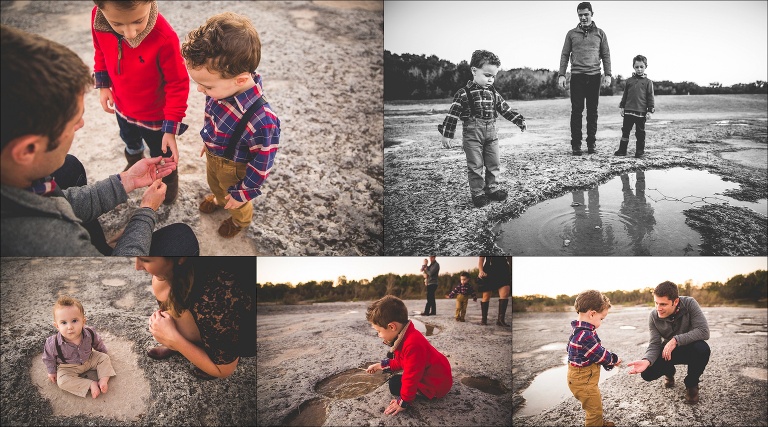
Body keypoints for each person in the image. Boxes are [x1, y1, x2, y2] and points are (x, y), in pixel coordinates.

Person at [0, 24, 199, 256]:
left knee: (68, 167)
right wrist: (145, 212)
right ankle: (100, 249)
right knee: (181, 239)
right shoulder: (55, 240)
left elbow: (61, 201)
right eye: (74, 121)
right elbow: (118, 275)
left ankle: (99, 244)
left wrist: (124, 181)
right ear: (27, 150)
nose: (81, 125)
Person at [181, 12, 281, 238]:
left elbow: (262, 163)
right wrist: (209, 140)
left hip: (236, 169)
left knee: (235, 199)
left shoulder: (263, 120)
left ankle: (240, 220)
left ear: (241, 80)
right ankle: (218, 198)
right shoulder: (219, 90)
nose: (200, 90)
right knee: (215, 184)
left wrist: (243, 193)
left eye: (206, 86)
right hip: (214, 156)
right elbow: (212, 118)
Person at [92, 0, 189, 203]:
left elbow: (177, 83)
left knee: (162, 155)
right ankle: (134, 161)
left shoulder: (165, 38)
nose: (129, 33)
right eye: (117, 24)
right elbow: (100, 50)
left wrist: (170, 127)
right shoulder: (99, 20)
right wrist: (103, 85)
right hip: (122, 106)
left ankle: (168, 183)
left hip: (155, 116)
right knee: (129, 139)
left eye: (138, 21)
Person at [135, 257, 256, 380]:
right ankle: (188, 342)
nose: (137, 266)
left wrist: (174, 339)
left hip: (234, 320)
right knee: (163, 285)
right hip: (188, 280)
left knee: (213, 352)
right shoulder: (172, 272)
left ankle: (204, 352)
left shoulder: (215, 298)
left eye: (145, 260)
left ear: (180, 259)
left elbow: (224, 371)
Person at [438, 49, 527, 208]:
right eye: (487, 75)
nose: (491, 79)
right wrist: (447, 134)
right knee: (475, 165)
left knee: (494, 163)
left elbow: (505, 109)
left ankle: (492, 189)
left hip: (492, 135)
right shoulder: (463, 93)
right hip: (472, 136)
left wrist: (519, 120)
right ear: (474, 70)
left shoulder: (494, 93)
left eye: (493, 76)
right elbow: (453, 114)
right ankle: (478, 194)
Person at [365, 295, 452, 417]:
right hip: (438, 375)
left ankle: (422, 393)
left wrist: (403, 402)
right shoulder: (406, 335)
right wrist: (380, 366)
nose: (379, 335)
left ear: (391, 327)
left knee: (395, 384)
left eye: (379, 331)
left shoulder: (412, 344)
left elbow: (411, 376)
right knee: (396, 380)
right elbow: (402, 362)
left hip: (437, 384)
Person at [627, 281, 710, 405]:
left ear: (675, 302)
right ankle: (669, 372)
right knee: (647, 373)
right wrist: (647, 360)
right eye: (656, 303)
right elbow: (654, 343)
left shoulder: (689, 303)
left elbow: (703, 331)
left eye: (663, 304)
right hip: (668, 352)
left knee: (702, 349)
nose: (658, 308)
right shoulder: (653, 316)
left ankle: (692, 384)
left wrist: (676, 340)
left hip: (689, 348)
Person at [558, 2, 612, 156]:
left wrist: (608, 74)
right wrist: (562, 74)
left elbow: (606, 54)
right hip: (577, 77)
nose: (583, 17)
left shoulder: (600, 33)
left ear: (591, 14)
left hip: (595, 76)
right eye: (580, 15)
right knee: (576, 111)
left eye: (586, 14)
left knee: (592, 112)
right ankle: (576, 145)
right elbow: (564, 55)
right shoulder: (571, 34)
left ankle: (591, 143)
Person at [42, 296, 116, 399]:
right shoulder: (52, 343)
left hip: (89, 358)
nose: (70, 327)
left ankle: (103, 380)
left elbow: (97, 343)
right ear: (57, 326)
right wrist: (51, 371)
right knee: (62, 382)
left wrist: (103, 352)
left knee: (104, 358)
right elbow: (48, 358)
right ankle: (90, 384)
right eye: (64, 322)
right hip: (68, 366)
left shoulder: (89, 333)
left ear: (83, 321)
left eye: (74, 321)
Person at [567, 290, 621, 427]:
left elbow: (589, 353)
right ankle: (596, 423)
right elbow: (600, 355)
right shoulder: (585, 335)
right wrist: (614, 360)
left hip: (580, 379)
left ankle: (598, 422)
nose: (601, 322)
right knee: (594, 410)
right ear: (592, 314)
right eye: (601, 318)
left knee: (594, 404)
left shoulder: (578, 330)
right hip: (583, 381)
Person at [615, 55, 655, 158]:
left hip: (641, 113)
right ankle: (622, 150)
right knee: (625, 131)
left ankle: (640, 151)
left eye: (641, 67)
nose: (639, 69)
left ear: (645, 66)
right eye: (637, 67)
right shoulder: (629, 81)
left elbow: (650, 97)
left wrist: (650, 111)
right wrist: (622, 107)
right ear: (633, 67)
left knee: (640, 133)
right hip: (628, 111)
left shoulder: (648, 82)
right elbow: (625, 95)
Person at [476, 256, 512, 326]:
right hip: (489, 270)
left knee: (505, 293)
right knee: (486, 296)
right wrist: (480, 271)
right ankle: (484, 320)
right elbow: (481, 259)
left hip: (503, 269)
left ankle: (500, 320)